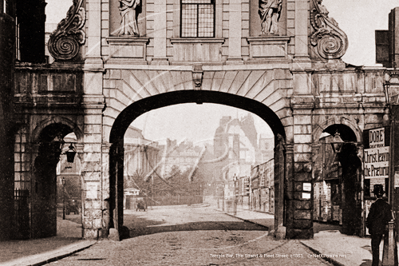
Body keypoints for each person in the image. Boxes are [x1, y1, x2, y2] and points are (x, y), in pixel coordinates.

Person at [366, 185, 392, 266]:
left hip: (374, 230)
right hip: (382, 229)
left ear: (375, 195)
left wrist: (369, 226)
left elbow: (369, 218)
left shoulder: (374, 205)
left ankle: (375, 264)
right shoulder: (387, 205)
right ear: (382, 195)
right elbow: (389, 218)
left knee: (375, 248)